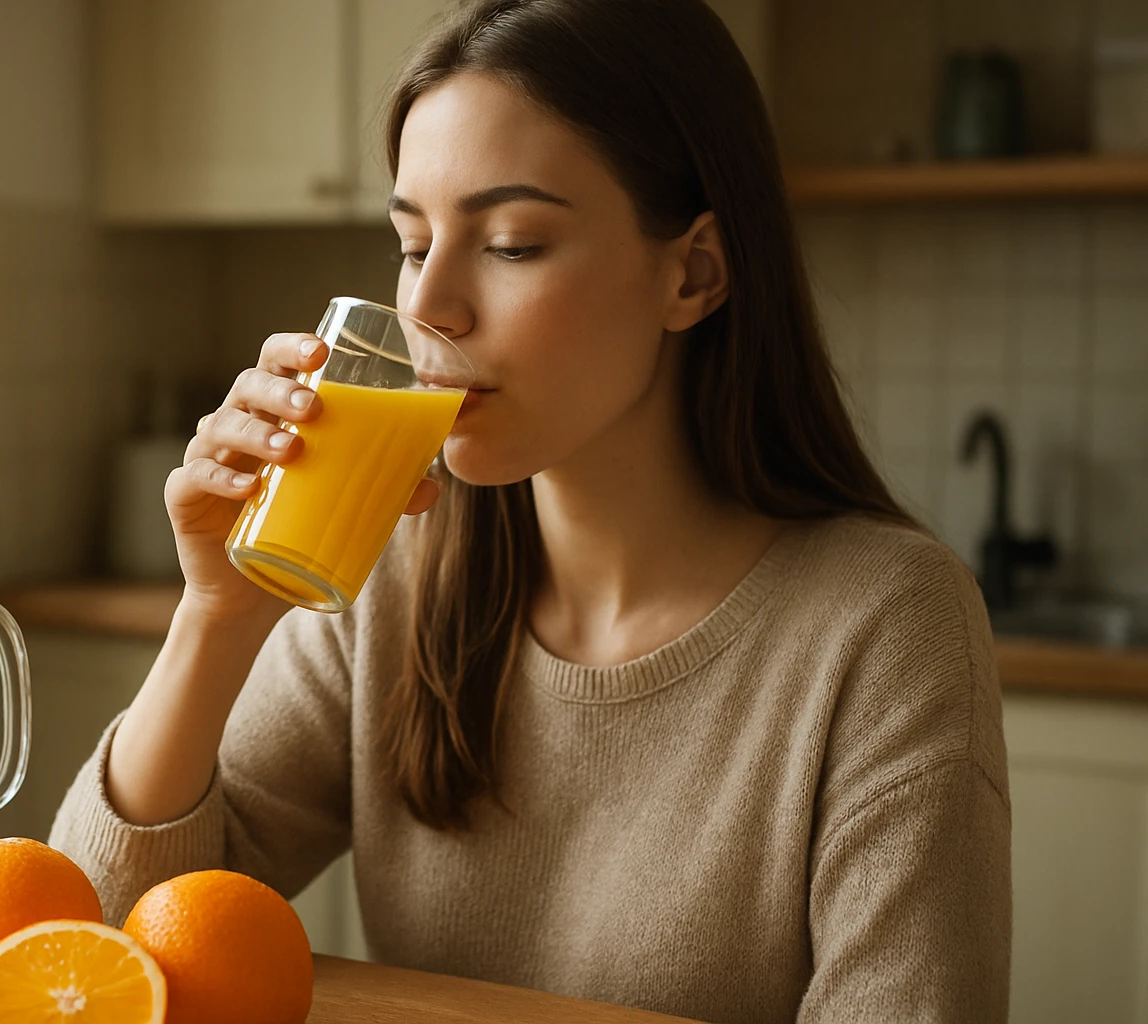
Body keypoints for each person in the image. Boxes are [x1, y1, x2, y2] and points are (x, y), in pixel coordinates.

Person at [50, 1, 1011, 1020]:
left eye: (510, 244)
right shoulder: (395, 569)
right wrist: (217, 618)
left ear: (694, 272)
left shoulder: (886, 623)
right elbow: (91, 953)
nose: (431, 310)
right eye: (414, 245)